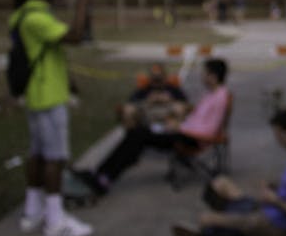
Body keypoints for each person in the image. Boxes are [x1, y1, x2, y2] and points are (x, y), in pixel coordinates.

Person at [11, 0, 94, 236]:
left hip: (39, 93)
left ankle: (33, 212)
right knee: (55, 158)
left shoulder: (28, 13)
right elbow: (75, 35)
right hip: (48, 96)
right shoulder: (35, 16)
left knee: (37, 153)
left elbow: (48, 51)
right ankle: (55, 221)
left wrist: (68, 79)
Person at [76, 58, 230, 195]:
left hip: (191, 138)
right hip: (186, 133)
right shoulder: (211, 94)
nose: (202, 76)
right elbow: (198, 120)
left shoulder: (220, 97)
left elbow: (209, 128)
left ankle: (104, 178)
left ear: (213, 76)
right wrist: (179, 124)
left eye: (204, 73)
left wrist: (180, 127)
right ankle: (101, 173)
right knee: (136, 134)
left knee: (139, 136)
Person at [172, 108, 286, 236]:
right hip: (268, 208)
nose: (277, 140)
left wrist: (276, 201)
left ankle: (208, 231)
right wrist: (274, 186)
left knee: (206, 218)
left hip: (276, 222)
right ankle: (225, 219)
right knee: (221, 184)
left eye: (278, 134)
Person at [118, 62, 188, 131]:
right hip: (147, 113)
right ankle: (132, 134)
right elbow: (132, 101)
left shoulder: (171, 88)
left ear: (164, 77)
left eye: (159, 78)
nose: (157, 81)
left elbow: (184, 101)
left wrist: (170, 99)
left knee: (179, 108)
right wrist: (148, 100)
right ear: (150, 78)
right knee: (128, 109)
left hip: (168, 113)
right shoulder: (145, 88)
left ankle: (175, 135)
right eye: (155, 78)